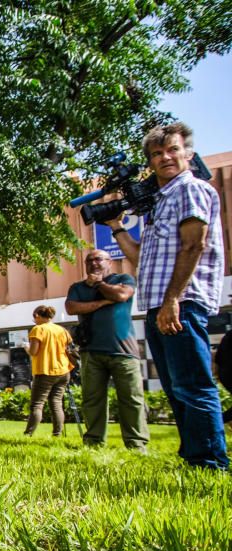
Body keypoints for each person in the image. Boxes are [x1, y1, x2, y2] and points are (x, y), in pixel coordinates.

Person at [109, 122, 228, 470]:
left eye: (173, 150)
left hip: (181, 303)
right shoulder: (161, 202)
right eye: (158, 153)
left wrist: (174, 299)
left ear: (187, 154)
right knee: (177, 387)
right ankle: (194, 456)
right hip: (158, 303)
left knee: (192, 384)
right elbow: (139, 258)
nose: (166, 157)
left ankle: (210, 462)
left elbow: (194, 244)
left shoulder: (189, 190)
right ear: (151, 162)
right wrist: (116, 226)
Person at [64, 250, 149, 452]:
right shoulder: (77, 287)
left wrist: (99, 284)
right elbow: (72, 307)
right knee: (92, 399)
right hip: (91, 350)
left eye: (98, 259)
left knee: (131, 399)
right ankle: (94, 442)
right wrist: (102, 302)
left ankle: (136, 443)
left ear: (109, 262)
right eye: (89, 260)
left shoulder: (123, 279)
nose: (94, 263)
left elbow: (121, 295)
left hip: (124, 350)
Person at [23, 305, 74, 437]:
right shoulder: (61, 330)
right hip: (63, 370)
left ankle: (28, 434)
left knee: (37, 405)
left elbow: (34, 351)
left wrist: (26, 348)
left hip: (45, 370)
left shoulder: (38, 329)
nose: (34, 321)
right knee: (56, 403)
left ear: (37, 316)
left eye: (34, 318)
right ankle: (57, 433)